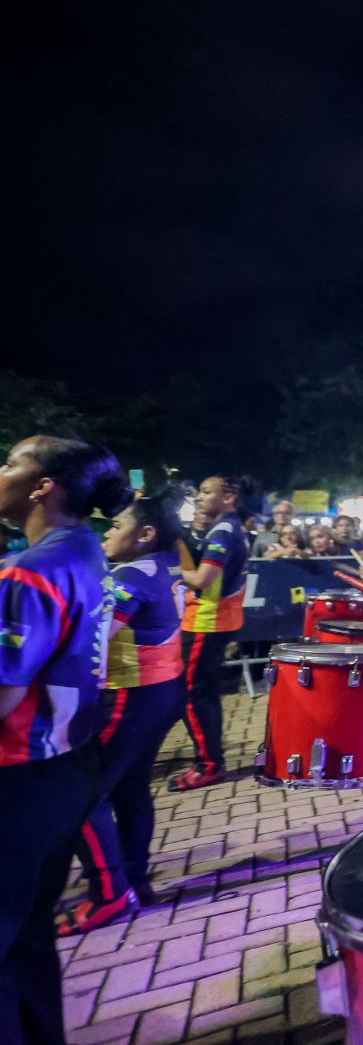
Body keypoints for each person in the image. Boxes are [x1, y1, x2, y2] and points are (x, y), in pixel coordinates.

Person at [0, 436, 130, 1042]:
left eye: (9, 463)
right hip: (67, 764)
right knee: (27, 937)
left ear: (41, 485)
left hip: (20, 771)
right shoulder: (85, 549)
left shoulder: (29, 570)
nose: (1, 472)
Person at [57, 488, 187, 936]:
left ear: (145, 533)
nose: (107, 534)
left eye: (115, 526)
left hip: (132, 694)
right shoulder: (170, 563)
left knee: (81, 795)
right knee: (130, 786)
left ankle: (109, 894)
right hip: (162, 689)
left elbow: (96, 638)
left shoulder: (130, 573)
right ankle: (132, 875)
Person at [171, 474, 253, 792]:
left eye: (207, 492)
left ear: (228, 497)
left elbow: (205, 578)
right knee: (203, 693)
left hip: (206, 620)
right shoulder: (231, 527)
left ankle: (208, 766)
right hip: (215, 620)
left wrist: (173, 574)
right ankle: (211, 760)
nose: (200, 497)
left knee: (191, 695)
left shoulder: (223, 530)